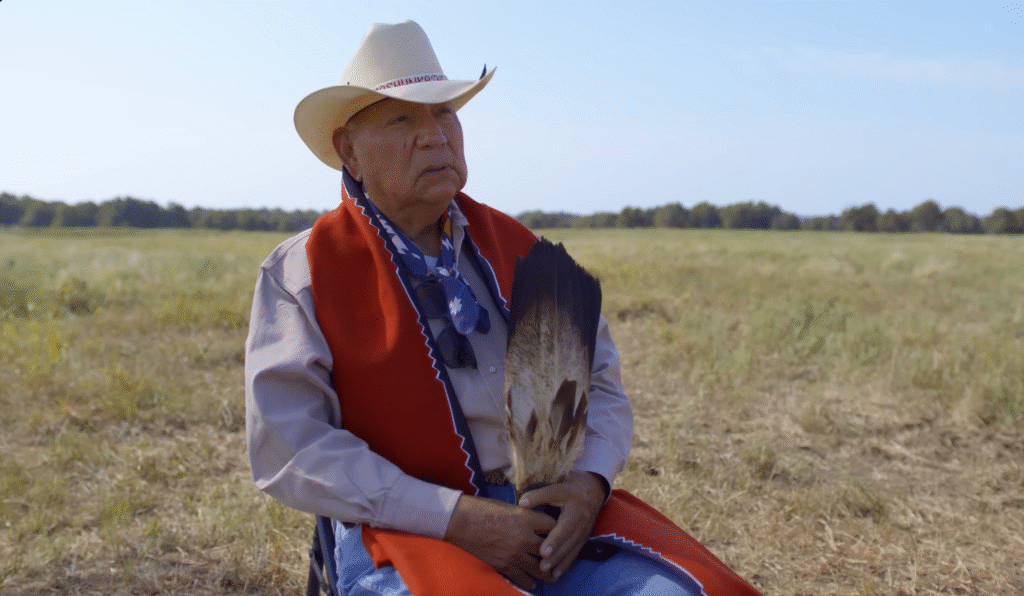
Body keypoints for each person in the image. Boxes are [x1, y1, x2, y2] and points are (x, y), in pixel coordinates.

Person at [245, 20, 761, 596]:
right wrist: (457, 518)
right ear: (349, 152)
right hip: (403, 532)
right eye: (402, 119)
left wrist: (589, 483)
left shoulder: (523, 251)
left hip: (555, 520)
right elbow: (292, 446)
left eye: (444, 114)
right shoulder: (303, 272)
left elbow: (601, 387)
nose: (435, 135)